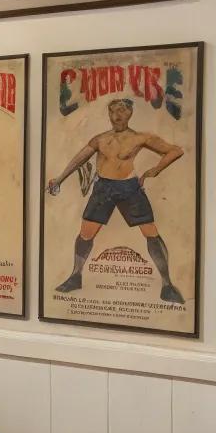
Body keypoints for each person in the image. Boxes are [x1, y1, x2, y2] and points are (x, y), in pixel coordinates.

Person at [47, 97, 184, 303]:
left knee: (152, 235)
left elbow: (176, 150)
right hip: (103, 189)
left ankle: (167, 285)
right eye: (112, 111)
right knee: (85, 235)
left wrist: (155, 170)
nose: (116, 116)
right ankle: (76, 277)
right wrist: (59, 179)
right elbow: (79, 159)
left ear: (130, 113)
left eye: (121, 111)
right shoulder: (100, 139)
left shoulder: (140, 137)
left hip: (130, 188)